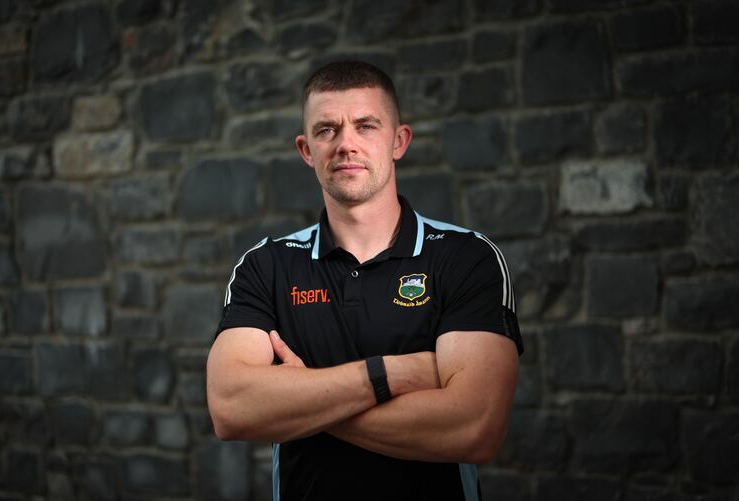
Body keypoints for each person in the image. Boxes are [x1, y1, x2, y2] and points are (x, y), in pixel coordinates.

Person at [207, 60, 523, 501]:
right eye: (326, 130)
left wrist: (304, 400)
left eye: (366, 126)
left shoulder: (465, 257)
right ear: (305, 150)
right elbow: (231, 409)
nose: (345, 144)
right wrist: (391, 373)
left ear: (399, 141)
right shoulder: (267, 266)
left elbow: (475, 427)